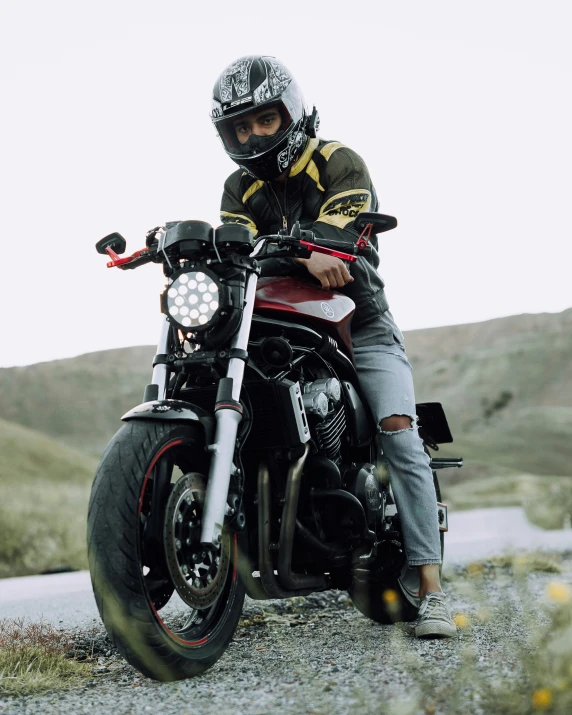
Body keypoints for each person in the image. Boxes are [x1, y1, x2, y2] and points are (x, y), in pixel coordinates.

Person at [211, 55, 457, 638]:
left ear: (290, 115)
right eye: (240, 128)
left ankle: (432, 587)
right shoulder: (237, 186)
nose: (253, 135)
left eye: (264, 121)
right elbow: (234, 246)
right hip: (271, 322)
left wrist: (315, 249)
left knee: (398, 426)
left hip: (356, 320)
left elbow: (340, 245)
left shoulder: (337, 161)